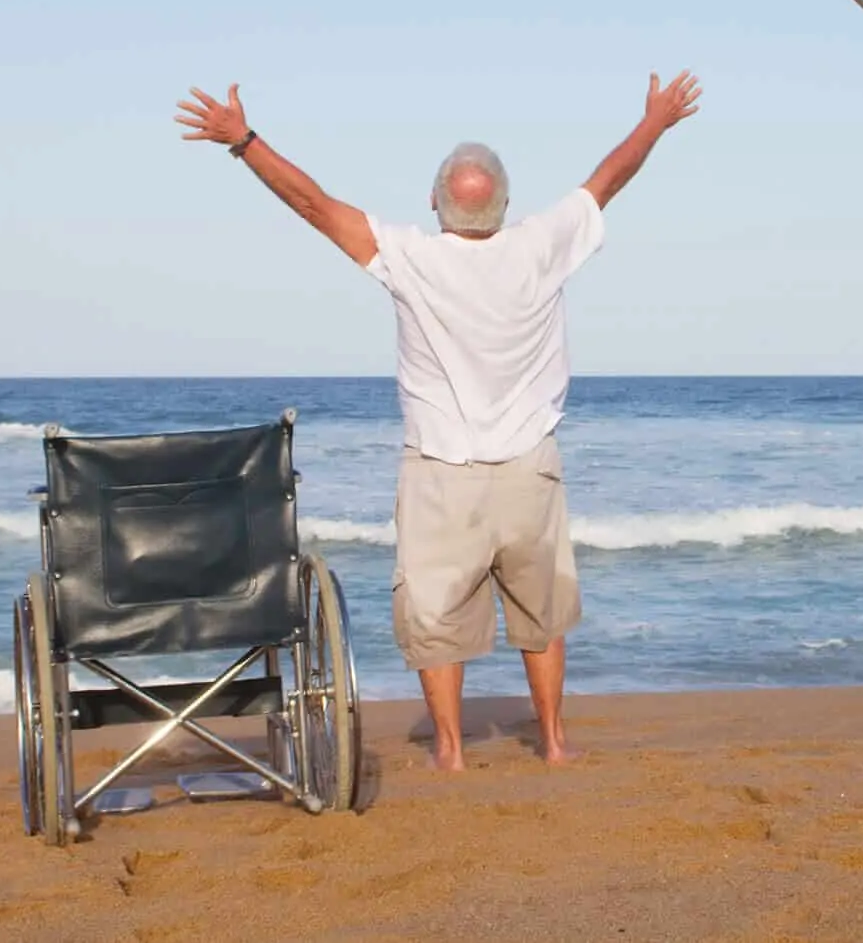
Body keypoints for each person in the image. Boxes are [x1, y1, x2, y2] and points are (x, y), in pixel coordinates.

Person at [174, 72, 702, 769]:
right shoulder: (543, 243)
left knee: (436, 615)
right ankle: (552, 742)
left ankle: (450, 751)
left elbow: (312, 204)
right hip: (529, 469)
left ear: (433, 201)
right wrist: (656, 121)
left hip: (441, 472)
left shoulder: (411, 255)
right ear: (506, 204)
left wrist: (243, 140)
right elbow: (609, 178)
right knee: (541, 613)